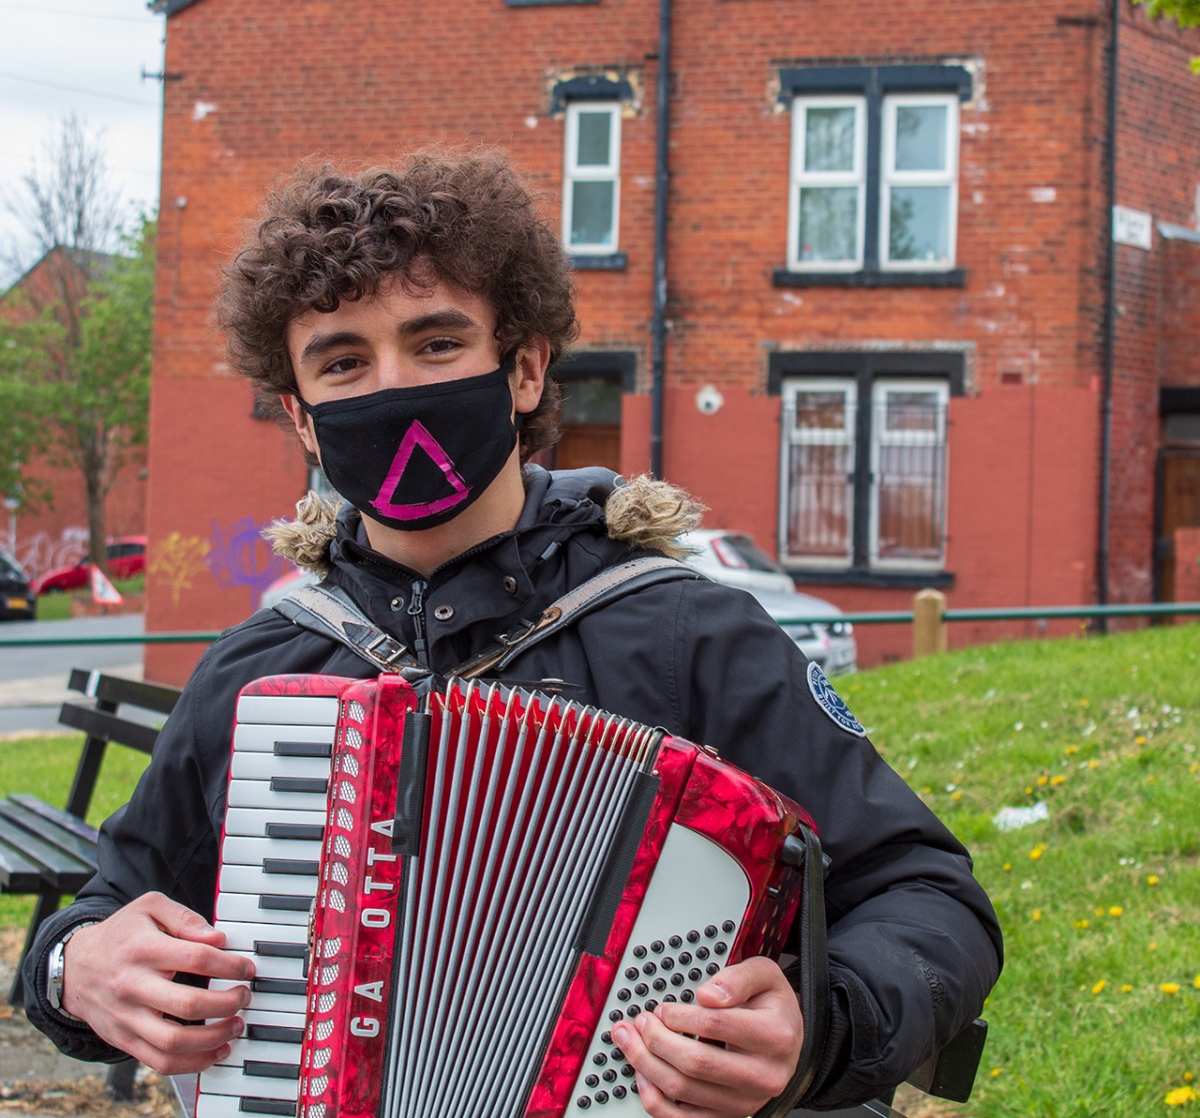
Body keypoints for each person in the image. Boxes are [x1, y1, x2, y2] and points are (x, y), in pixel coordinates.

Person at [24, 150, 1001, 1116]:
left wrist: (815, 1031)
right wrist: (78, 966)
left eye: (437, 344)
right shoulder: (260, 669)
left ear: (525, 369)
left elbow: (924, 894)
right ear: (302, 416)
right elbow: (111, 905)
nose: (392, 388)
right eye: (344, 363)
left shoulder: (684, 633)